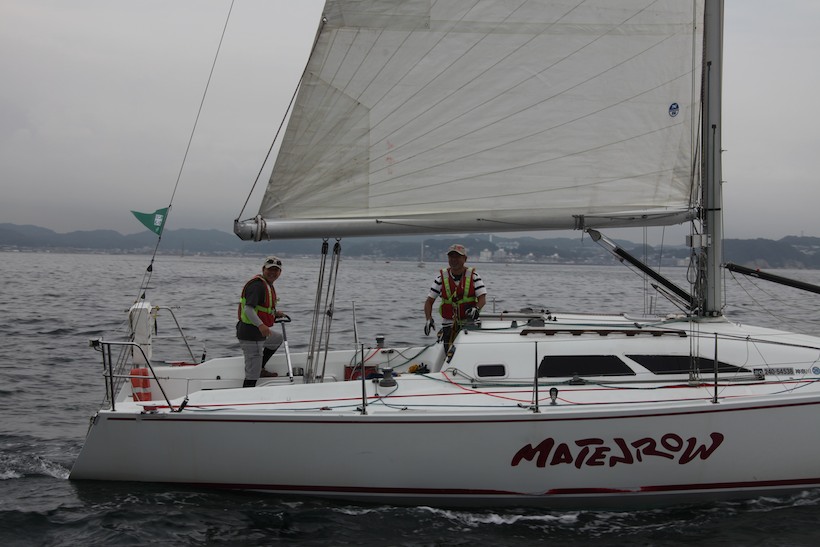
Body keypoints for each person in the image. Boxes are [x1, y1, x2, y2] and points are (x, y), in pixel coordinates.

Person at [423, 244, 487, 351]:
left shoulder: (474, 276)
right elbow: (429, 302)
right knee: (449, 353)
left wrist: (476, 309)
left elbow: (482, 298)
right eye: (451, 257)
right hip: (449, 325)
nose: (454, 260)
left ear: (465, 259)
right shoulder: (440, 279)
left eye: (457, 257)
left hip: (469, 324)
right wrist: (428, 319)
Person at [237, 256, 287, 387]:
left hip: (258, 332)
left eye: (276, 270)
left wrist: (275, 313)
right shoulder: (257, 286)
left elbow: (261, 308)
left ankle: (260, 368)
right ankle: (246, 394)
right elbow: (248, 309)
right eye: (270, 269)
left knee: (277, 339)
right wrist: (261, 325)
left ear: (280, 272)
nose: (273, 273)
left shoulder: (267, 285)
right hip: (250, 333)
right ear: (263, 269)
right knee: (252, 374)